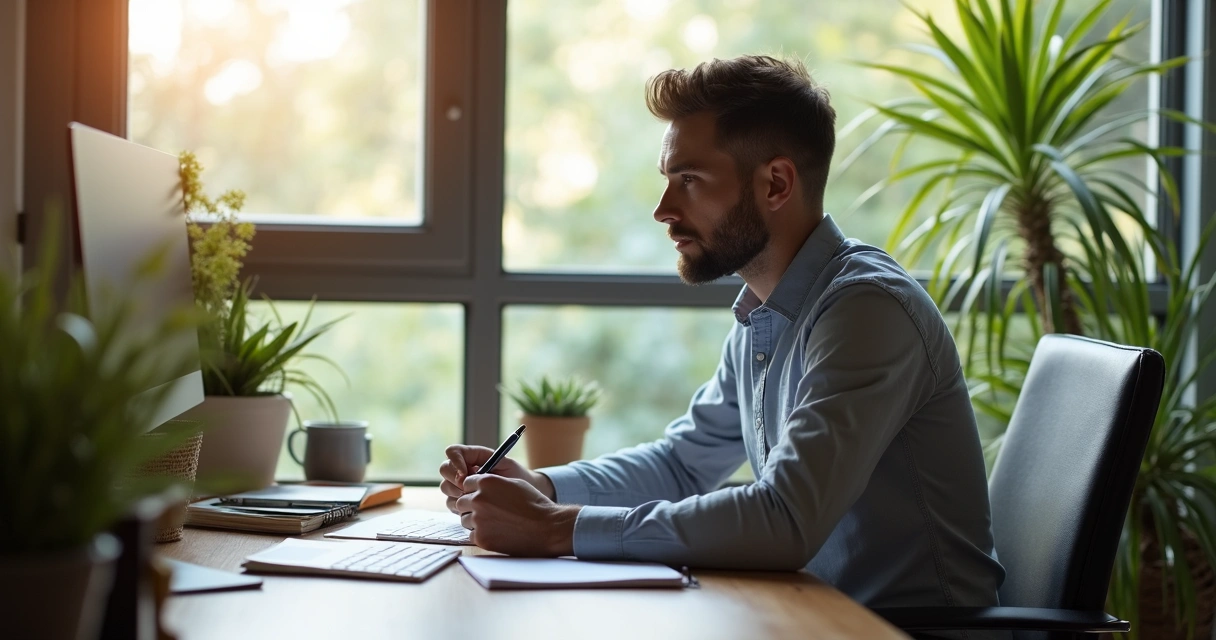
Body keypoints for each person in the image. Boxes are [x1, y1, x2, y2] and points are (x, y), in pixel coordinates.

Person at [440, 55, 1005, 616]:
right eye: (668, 181)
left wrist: (555, 528)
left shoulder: (866, 310)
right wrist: (544, 486)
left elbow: (785, 520)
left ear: (776, 184)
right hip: (814, 618)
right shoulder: (766, 313)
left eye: (689, 180)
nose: (663, 210)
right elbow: (682, 466)